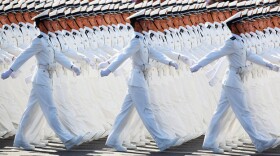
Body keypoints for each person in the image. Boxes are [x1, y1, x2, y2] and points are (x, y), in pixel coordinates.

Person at [190, 11, 280, 154]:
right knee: (244, 112)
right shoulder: (231, 42)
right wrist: (197, 65)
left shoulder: (240, 41)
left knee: (220, 113)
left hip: (234, 81)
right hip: (233, 81)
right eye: (241, 24)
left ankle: (210, 142)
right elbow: (215, 54)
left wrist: (270, 65)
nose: (244, 26)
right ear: (234, 27)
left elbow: (251, 56)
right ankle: (260, 142)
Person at [1, 9, 84, 150]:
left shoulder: (47, 40)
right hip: (41, 78)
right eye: (47, 22)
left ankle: (20, 139)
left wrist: (72, 66)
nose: (51, 24)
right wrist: (11, 70)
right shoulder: (38, 41)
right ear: (41, 25)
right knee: (51, 109)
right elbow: (24, 55)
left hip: (46, 78)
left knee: (30, 111)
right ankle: (67, 138)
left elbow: (58, 55)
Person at [100, 9, 179, 152]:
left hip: (140, 78)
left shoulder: (142, 39)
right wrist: (109, 69)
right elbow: (123, 55)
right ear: (137, 24)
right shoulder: (135, 41)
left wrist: (169, 61)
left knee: (124, 112)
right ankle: (162, 141)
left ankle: (112, 139)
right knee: (146, 110)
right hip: (136, 79)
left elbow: (153, 52)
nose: (146, 24)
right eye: (143, 22)